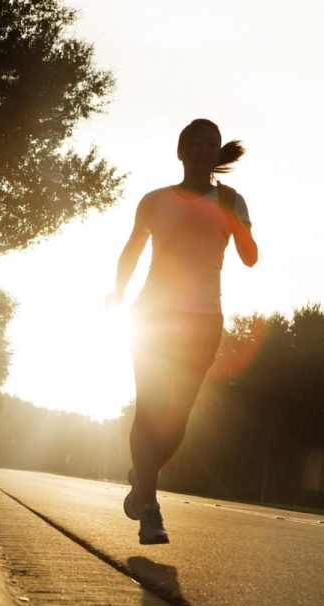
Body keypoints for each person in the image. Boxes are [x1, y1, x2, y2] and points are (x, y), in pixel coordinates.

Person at [107, 118, 258, 544]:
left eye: (211, 144)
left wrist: (232, 216)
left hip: (204, 321)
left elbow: (250, 257)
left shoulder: (232, 200)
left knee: (176, 425)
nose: (203, 149)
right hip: (153, 318)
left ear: (216, 153)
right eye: (195, 143)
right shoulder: (154, 201)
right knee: (149, 412)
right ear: (180, 151)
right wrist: (118, 292)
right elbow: (131, 250)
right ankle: (150, 511)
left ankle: (142, 479)